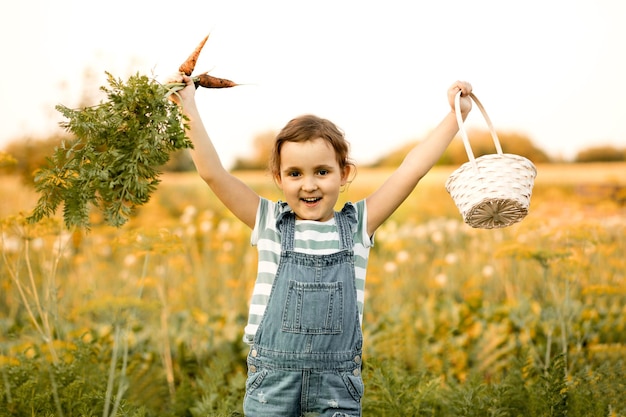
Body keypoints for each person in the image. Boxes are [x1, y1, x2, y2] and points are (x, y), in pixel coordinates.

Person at [168, 74, 472, 416]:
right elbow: (212, 173)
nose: (309, 185)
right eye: (295, 173)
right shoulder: (268, 220)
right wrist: (188, 105)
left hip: (335, 385)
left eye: (322, 172)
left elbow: (410, 170)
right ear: (279, 178)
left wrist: (454, 117)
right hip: (273, 381)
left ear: (344, 174)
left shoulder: (358, 225)